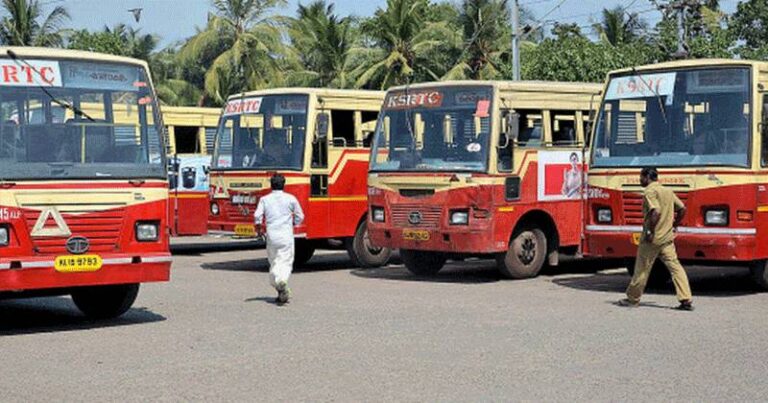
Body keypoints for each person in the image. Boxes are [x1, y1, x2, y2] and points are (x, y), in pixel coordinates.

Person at [619, 167, 694, 311]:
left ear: (647, 177)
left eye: (641, 177)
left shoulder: (649, 191)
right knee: (675, 268)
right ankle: (686, 299)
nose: (640, 180)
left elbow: (656, 211)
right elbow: (682, 208)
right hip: (667, 238)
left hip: (652, 239)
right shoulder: (667, 191)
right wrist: (674, 225)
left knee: (642, 269)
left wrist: (650, 231)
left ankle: (632, 299)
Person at [254, 174, 305, 305]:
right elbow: (300, 216)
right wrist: (294, 223)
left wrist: (259, 228)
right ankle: (281, 282)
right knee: (286, 261)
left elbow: (257, 216)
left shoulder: (265, 199)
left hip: (272, 235)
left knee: (274, 261)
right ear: (284, 184)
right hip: (286, 235)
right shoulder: (291, 199)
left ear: (271, 185)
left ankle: (278, 286)